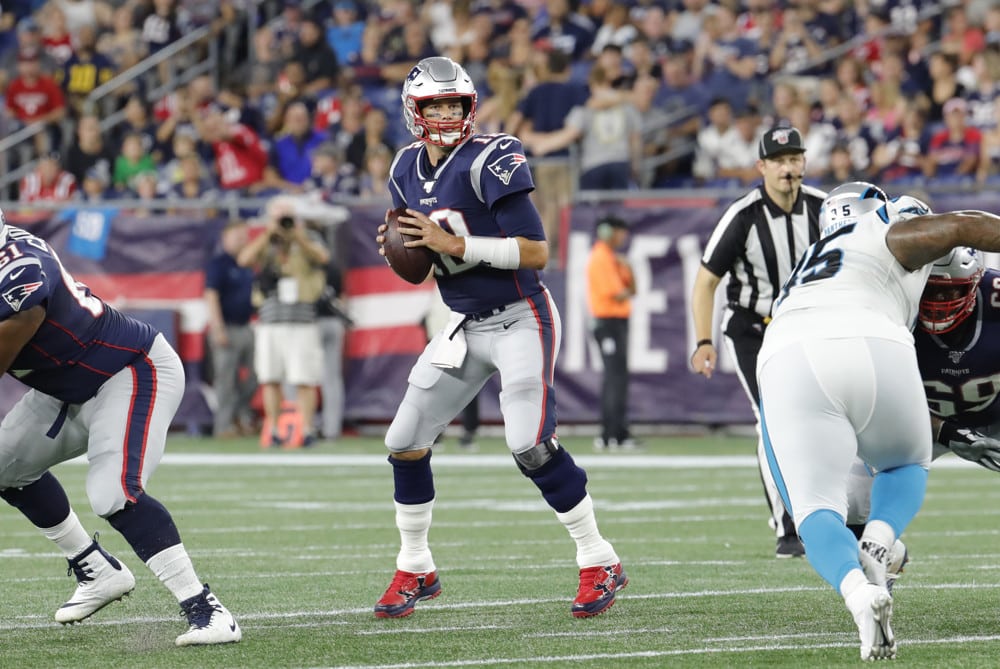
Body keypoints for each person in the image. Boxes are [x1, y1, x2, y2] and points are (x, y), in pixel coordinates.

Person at [373, 56, 626, 619]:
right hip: (464, 324)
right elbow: (417, 249)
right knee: (404, 440)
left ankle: (599, 557)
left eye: (453, 104)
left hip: (519, 316)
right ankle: (415, 565)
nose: (444, 114)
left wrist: (455, 246)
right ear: (414, 112)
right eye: (434, 105)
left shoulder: (491, 157)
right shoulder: (404, 166)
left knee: (529, 445)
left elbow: (537, 253)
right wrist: (400, 248)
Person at [755, 182, 1000, 660]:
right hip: (872, 338)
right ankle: (882, 540)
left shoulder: (810, 262)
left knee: (812, 513)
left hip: (786, 351)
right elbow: (960, 226)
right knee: (905, 464)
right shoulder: (885, 227)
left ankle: (858, 593)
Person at [0, 211, 240, 645]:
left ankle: (207, 609)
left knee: (113, 492)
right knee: (5, 467)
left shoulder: (20, 271)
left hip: (128, 369)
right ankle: (97, 570)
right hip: (64, 385)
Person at [690, 125, 826, 559]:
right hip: (755, 329)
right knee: (771, 418)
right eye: (780, 161)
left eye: (795, 159)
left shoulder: (825, 210)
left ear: (804, 162)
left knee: (829, 417)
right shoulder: (744, 215)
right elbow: (705, 282)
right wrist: (703, 340)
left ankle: (834, 512)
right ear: (761, 167)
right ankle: (787, 526)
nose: (788, 168)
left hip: (810, 327)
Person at [238, 197, 330, 448]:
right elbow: (244, 260)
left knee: (304, 378)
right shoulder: (266, 242)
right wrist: (269, 234)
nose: (284, 222)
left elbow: (323, 258)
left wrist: (298, 236)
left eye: (287, 216)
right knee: (270, 377)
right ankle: (276, 430)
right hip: (270, 320)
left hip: (302, 320)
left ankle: (308, 429)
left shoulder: (308, 238)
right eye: (279, 217)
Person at [586, 215, 638, 451]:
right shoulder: (601, 258)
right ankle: (610, 434)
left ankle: (619, 432)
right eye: (619, 231)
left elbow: (631, 289)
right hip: (608, 322)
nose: (623, 236)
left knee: (618, 378)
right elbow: (619, 293)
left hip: (617, 322)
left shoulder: (611, 258)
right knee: (614, 379)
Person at [204, 220, 258, 439]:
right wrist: (218, 327)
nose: (242, 239)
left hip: (246, 326)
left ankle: (239, 414)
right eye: (237, 235)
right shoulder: (219, 263)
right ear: (225, 238)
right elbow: (211, 295)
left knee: (257, 374)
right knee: (225, 380)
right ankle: (224, 425)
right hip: (226, 326)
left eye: (244, 235)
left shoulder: (247, 264)